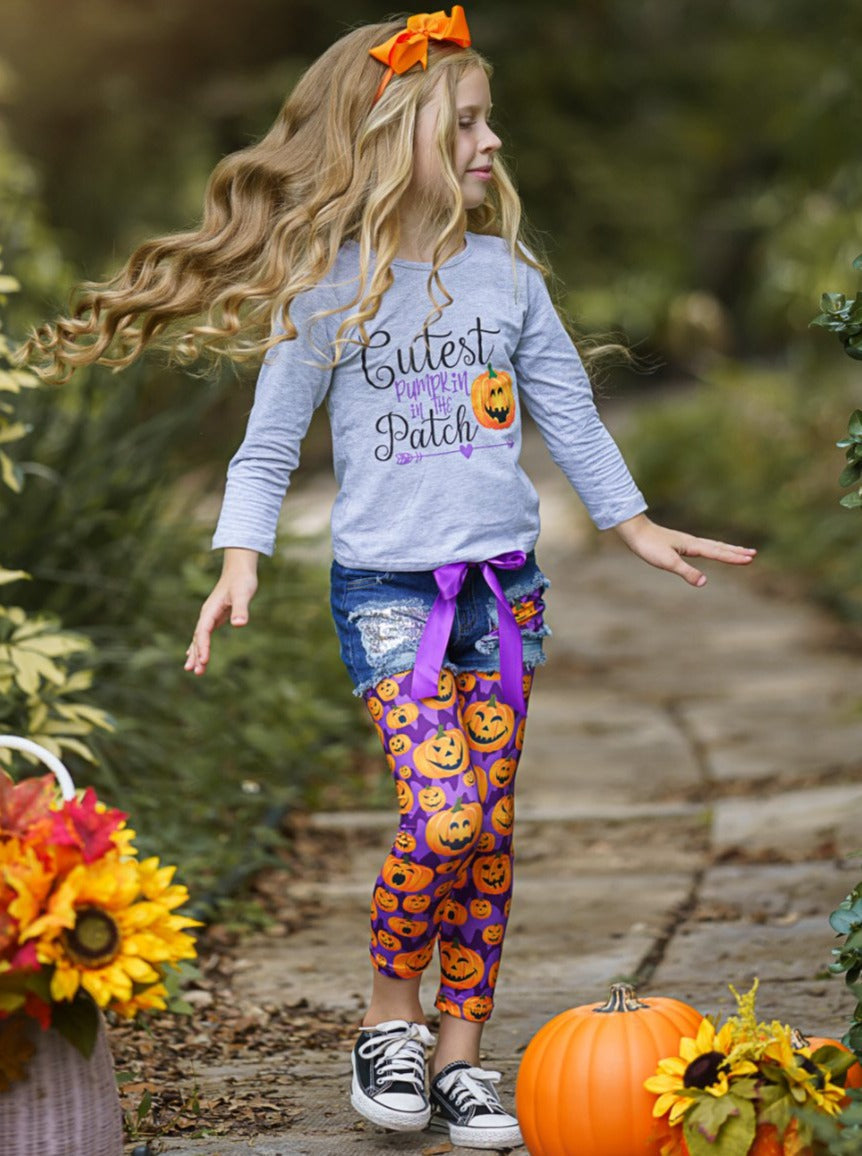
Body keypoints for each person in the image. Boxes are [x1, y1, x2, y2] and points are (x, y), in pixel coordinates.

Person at [25, 7, 756, 1148]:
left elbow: (569, 416)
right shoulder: (329, 288)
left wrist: (637, 527)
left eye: (489, 120)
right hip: (389, 599)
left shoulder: (506, 279)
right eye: (464, 121)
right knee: (444, 812)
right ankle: (387, 1022)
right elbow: (267, 447)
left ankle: (461, 1057)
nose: (490, 141)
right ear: (391, 134)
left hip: (506, 598)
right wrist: (238, 561)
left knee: (486, 831)